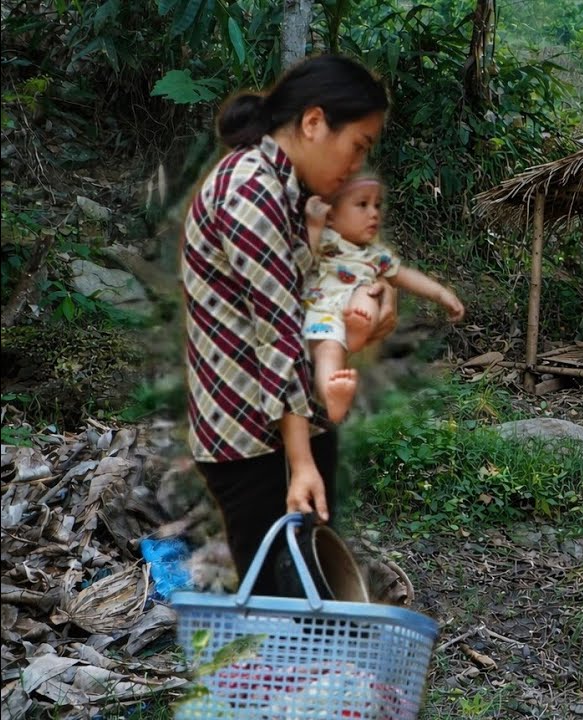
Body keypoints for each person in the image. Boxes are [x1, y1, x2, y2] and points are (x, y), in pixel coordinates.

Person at [181, 55, 394, 595]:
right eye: (359, 144)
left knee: (315, 584)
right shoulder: (250, 191)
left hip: (293, 423)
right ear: (314, 122)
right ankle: (287, 679)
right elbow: (276, 336)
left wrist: (365, 311)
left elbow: (312, 309)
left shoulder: (292, 193)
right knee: (285, 606)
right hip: (250, 438)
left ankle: (319, 677)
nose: (357, 163)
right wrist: (300, 462)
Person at [302, 174, 465, 423]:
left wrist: (441, 294)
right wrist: (314, 226)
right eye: (362, 205)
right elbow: (302, 262)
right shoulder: (325, 239)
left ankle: (351, 347)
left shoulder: (376, 256)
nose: (374, 213)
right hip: (322, 313)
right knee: (329, 351)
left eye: (377, 205)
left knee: (368, 292)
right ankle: (331, 392)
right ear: (332, 215)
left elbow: (405, 275)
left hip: (355, 314)